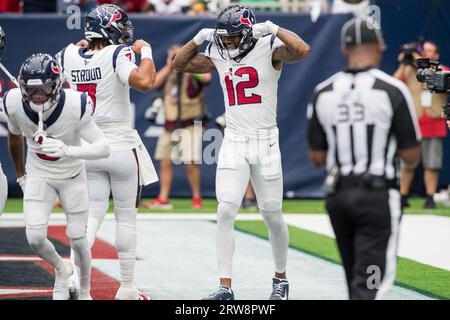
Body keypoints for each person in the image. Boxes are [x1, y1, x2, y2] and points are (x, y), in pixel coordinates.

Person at [173, 5, 310, 300]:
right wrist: (198, 38)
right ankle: (225, 285)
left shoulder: (268, 47)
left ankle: (280, 279)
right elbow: (178, 64)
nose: (228, 43)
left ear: (248, 32)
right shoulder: (220, 52)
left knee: (272, 214)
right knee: (225, 210)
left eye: (234, 37)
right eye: (225, 38)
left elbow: (302, 50)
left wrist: (273, 27)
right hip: (234, 139)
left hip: (265, 141)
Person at [307, 17, 421, 300]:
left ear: (344, 49)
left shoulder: (324, 91)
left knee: (355, 279)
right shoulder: (392, 90)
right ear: (379, 47)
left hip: (338, 196)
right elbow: (411, 154)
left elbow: (317, 157)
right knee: (371, 286)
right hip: (376, 197)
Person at [56, 4, 158, 300]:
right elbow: (145, 82)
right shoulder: (118, 54)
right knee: (125, 219)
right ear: (110, 28)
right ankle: (126, 289)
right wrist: (147, 52)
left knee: (90, 218)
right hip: (120, 146)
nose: (126, 34)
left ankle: (74, 275)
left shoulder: (67, 54)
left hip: (87, 147)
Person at [3, 53, 111, 300]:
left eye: (44, 88)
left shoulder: (76, 104)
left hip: (72, 174)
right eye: (32, 90)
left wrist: (69, 150)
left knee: (78, 237)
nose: (38, 95)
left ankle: (84, 292)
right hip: (39, 175)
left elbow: (104, 147)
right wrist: (21, 176)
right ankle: (62, 269)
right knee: (35, 237)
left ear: (57, 85)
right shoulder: (13, 103)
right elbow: (13, 136)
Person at [142, 45, 211, 210]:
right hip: (170, 125)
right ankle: (163, 198)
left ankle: (196, 198)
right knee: (165, 162)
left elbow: (206, 78)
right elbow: (154, 82)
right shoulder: (170, 74)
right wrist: (170, 65)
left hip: (191, 123)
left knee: (190, 162)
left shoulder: (193, 72)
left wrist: (186, 63)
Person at [394, 40, 448, 209]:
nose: (426, 53)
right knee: (407, 163)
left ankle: (430, 197)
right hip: (414, 122)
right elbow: (394, 84)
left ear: (436, 55)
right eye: (424, 50)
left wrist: (421, 64)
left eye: (430, 51)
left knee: (432, 164)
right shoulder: (409, 70)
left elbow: (438, 82)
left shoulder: (443, 70)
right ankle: (403, 196)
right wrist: (403, 64)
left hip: (434, 122)